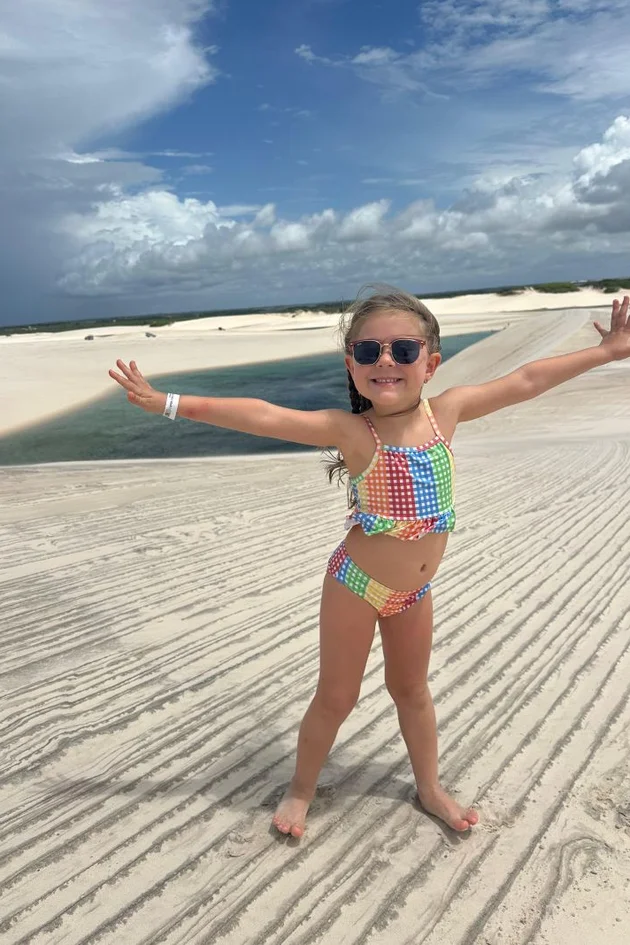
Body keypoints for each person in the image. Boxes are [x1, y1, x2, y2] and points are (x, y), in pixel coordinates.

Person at [109, 287, 630, 838]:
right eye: (368, 351)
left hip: (414, 594)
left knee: (413, 691)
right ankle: (301, 789)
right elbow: (262, 415)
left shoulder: (446, 412)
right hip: (355, 586)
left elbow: (526, 380)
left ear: (429, 364)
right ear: (351, 365)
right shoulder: (353, 432)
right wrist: (167, 403)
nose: (385, 360)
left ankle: (429, 787)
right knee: (337, 697)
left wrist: (608, 352)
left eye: (403, 350)